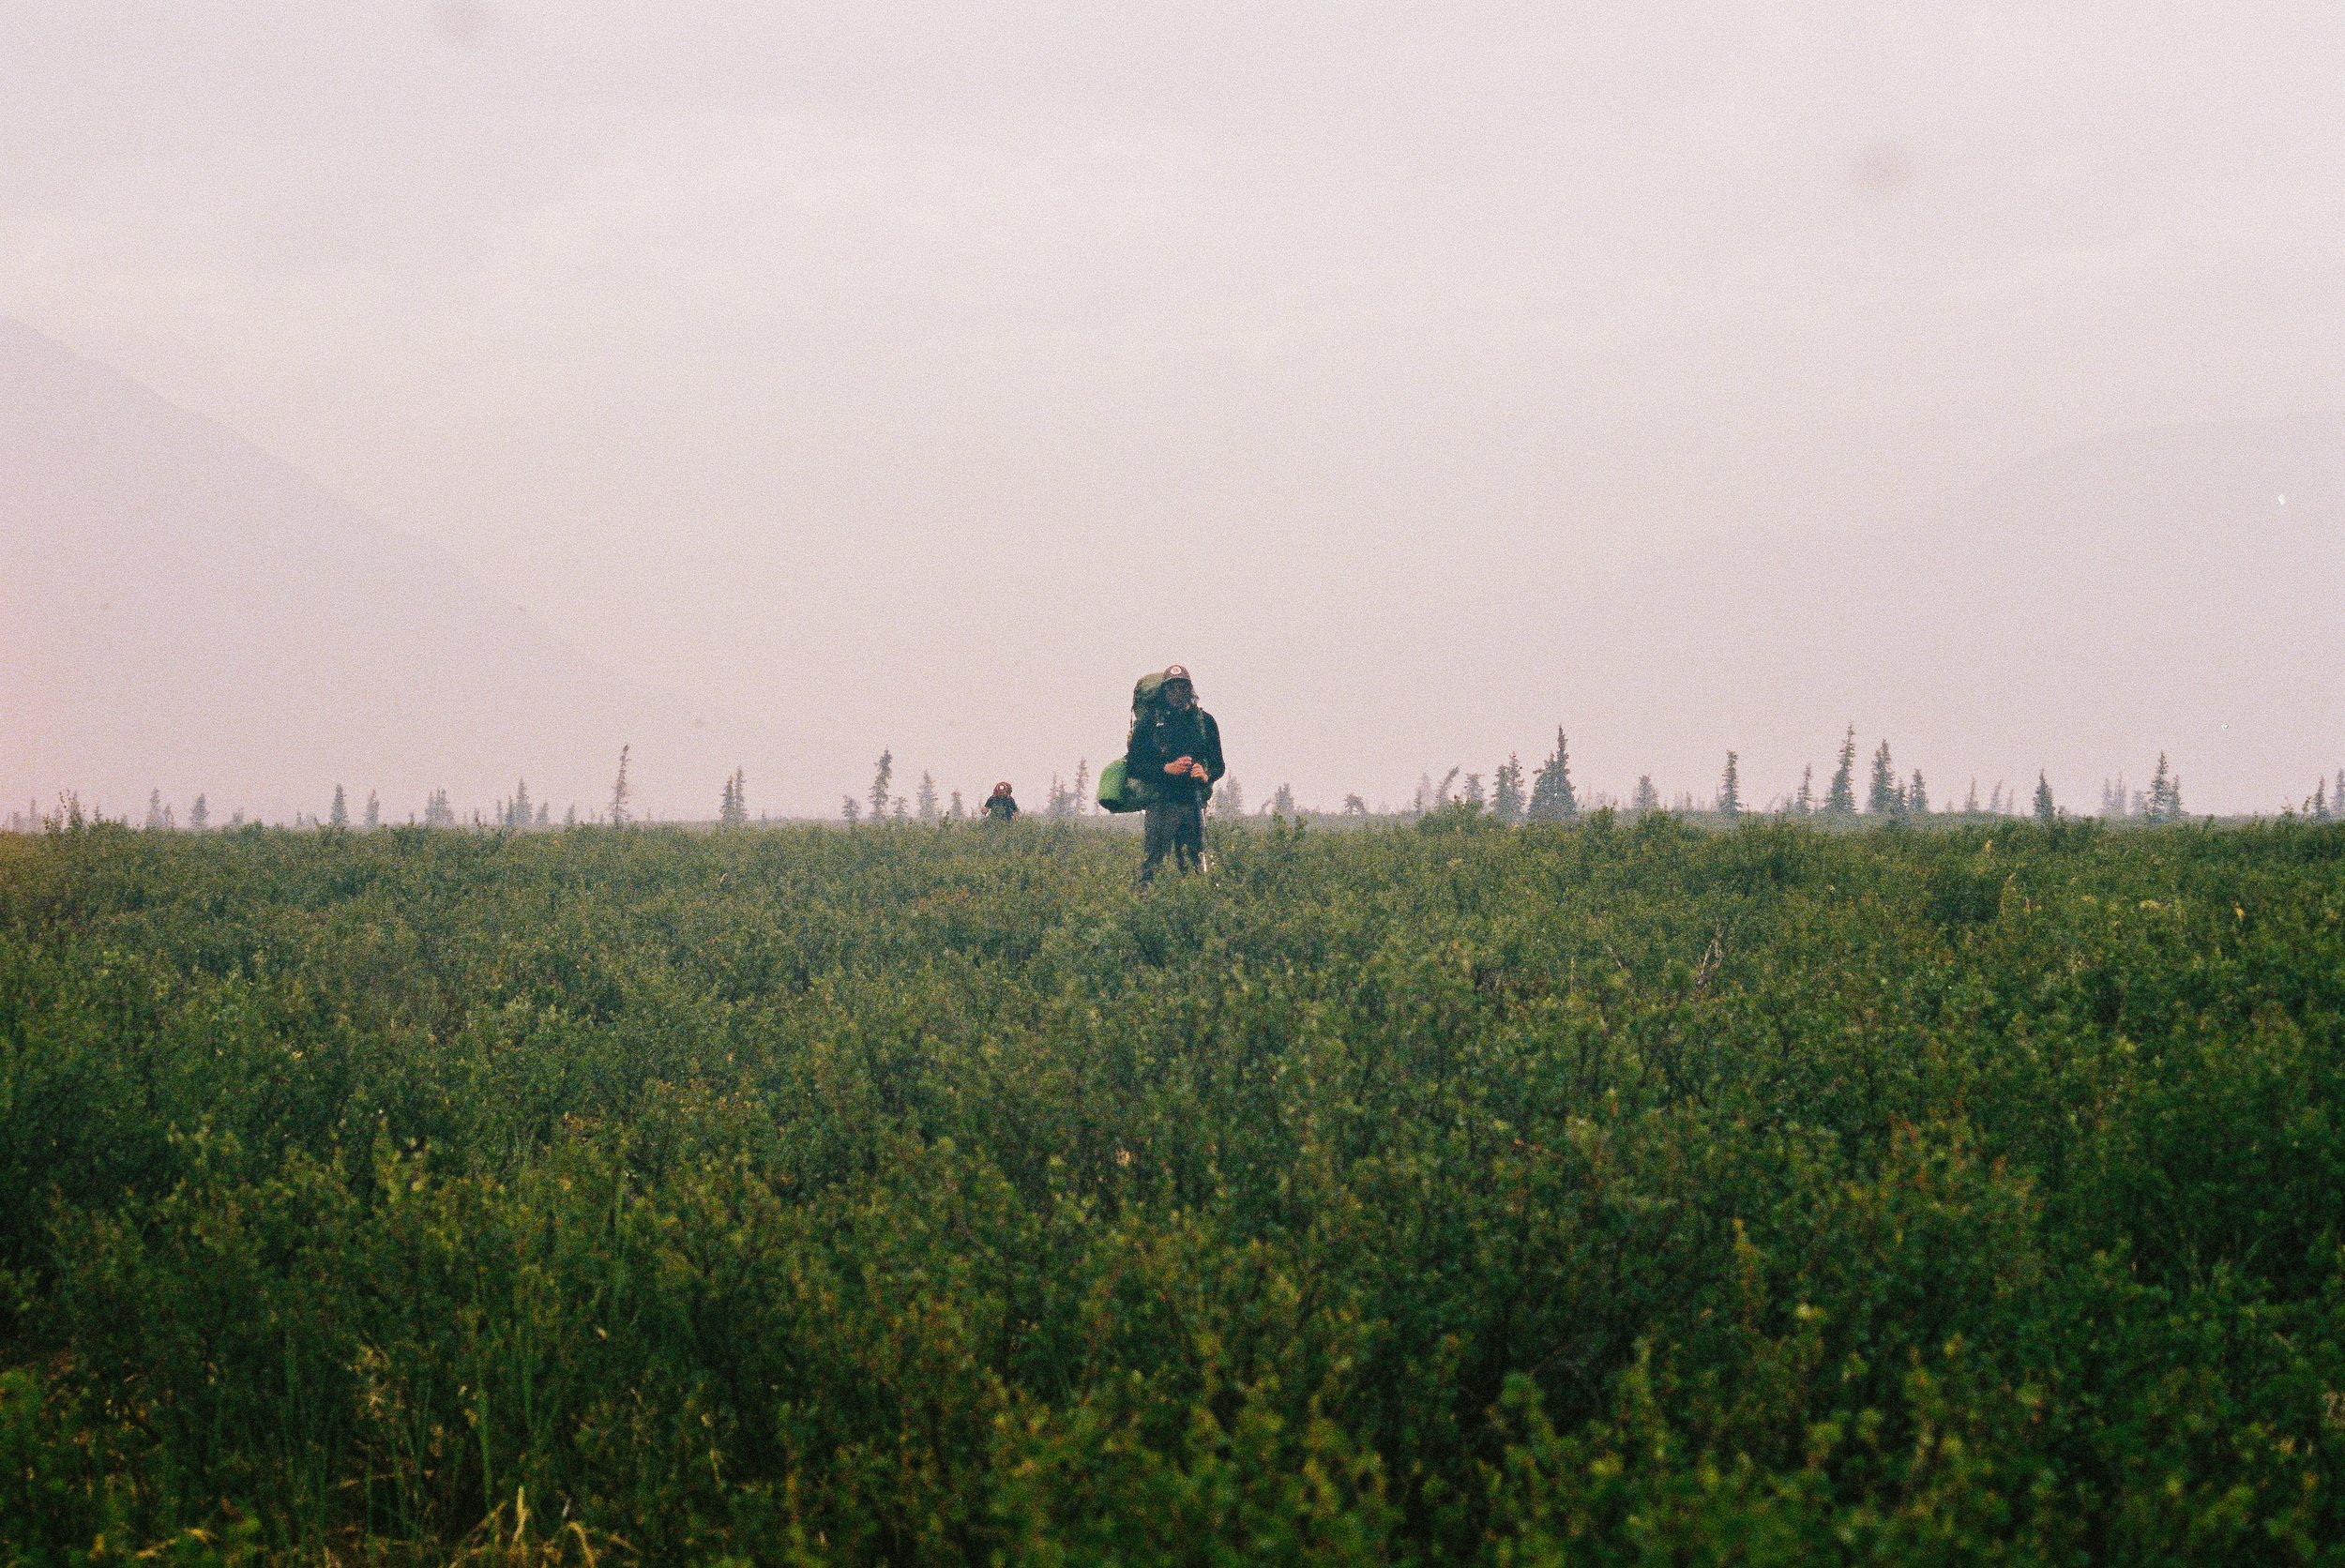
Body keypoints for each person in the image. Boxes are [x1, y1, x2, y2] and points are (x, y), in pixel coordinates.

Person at [1125, 665, 1223, 881]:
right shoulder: (1150, 723)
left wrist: (1205, 774)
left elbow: (1219, 765)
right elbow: (1134, 766)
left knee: (1193, 866)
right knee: (1153, 865)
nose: (1177, 692)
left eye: (1182, 687)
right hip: (1160, 804)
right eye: (1172, 687)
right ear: (1164, 691)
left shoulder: (1205, 722)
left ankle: (1190, 901)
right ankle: (1145, 898)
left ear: (1190, 689)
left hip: (1194, 804)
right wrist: (1166, 769)